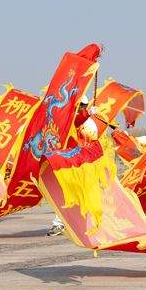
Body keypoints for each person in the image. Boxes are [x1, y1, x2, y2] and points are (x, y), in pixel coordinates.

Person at [47, 95, 98, 237]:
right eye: (79, 105)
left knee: (84, 194)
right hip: (67, 163)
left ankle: (83, 224)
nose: (80, 108)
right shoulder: (66, 118)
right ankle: (58, 224)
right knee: (65, 193)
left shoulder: (90, 123)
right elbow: (73, 121)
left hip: (83, 165)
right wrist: (87, 114)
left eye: (83, 106)